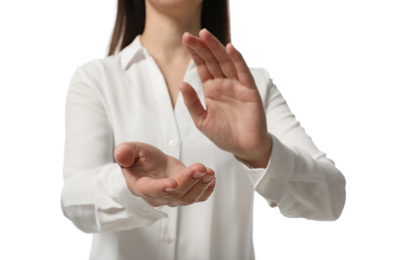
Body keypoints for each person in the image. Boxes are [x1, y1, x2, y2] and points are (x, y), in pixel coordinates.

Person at [61, 0, 346, 259]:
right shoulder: (95, 80)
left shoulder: (253, 87)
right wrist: (130, 187)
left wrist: (261, 152)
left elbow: (332, 198)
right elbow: (75, 201)